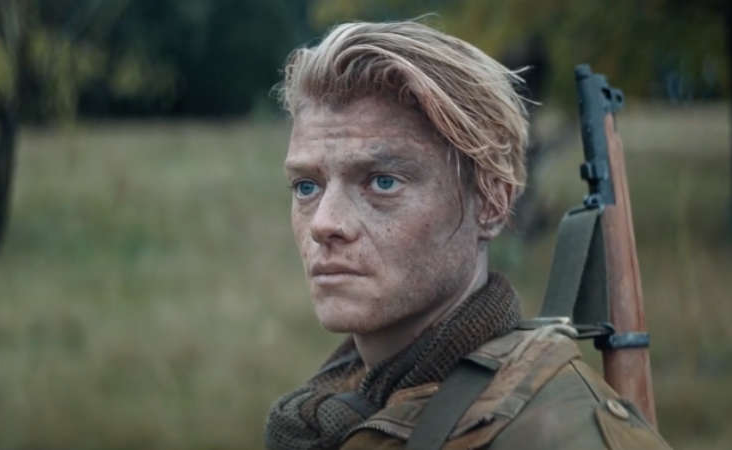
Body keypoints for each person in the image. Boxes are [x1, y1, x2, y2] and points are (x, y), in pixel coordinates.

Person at [264, 20, 670, 450]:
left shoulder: (560, 435)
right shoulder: (324, 416)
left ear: (491, 202)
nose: (324, 223)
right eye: (306, 186)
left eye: (382, 182)